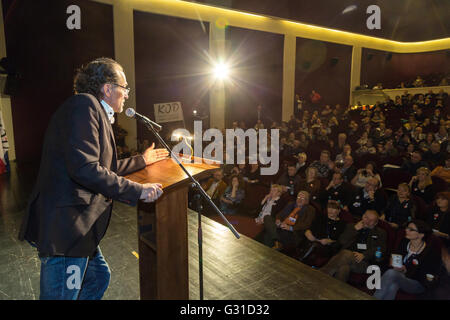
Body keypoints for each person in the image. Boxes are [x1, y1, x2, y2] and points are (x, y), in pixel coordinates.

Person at [18, 58, 168, 300]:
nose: (127, 94)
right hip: (67, 230)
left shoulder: (92, 109)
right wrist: (137, 190)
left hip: (77, 229)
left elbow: (102, 167)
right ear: (107, 88)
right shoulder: (84, 106)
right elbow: (85, 168)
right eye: (124, 87)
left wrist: (142, 160)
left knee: (98, 278)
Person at [374, 220, 440, 300]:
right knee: (393, 285)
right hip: (399, 277)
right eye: (407, 228)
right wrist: (392, 261)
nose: (406, 230)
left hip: (417, 283)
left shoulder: (430, 253)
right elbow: (396, 256)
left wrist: (406, 270)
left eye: (411, 229)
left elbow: (426, 276)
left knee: (392, 273)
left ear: (421, 234)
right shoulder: (404, 242)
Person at [320, 210, 387, 282]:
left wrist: (364, 255)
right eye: (366, 218)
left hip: (363, 262)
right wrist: (355, 229)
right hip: (344, 257)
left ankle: (320, 275)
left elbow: (381, 249)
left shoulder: (380, 233)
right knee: (344, 268)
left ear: (376, 223)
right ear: (363, 216)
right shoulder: (351, 226)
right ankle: (332, 290)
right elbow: (342, 241)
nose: (367, 222)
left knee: (346, 253)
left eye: (371, 221)